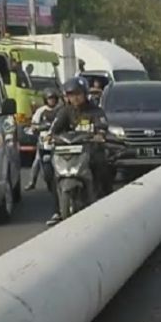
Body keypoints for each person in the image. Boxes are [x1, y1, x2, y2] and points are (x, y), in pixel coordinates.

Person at [50, 77, 109, 225]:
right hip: (67, 153)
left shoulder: (96, 111)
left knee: (102, 166)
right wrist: (49, 137)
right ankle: (57, 210)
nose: (74, 98)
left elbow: (102, 126)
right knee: (50, 173)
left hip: (90, 152)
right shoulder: (65, 112)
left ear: (85, 94)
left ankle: (105, 201)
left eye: (77, 94)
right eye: (70, 95)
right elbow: (54, 129)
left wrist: (99, 135)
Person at [25, 88, 62, 191]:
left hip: (57, 139)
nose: (52, 100)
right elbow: (33, 124)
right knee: (37, 160)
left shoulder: (60, 110)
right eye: (50, 98)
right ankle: (32, 181)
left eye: (54, 98)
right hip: (44, 139)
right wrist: (35, 128)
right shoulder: (41, 111)